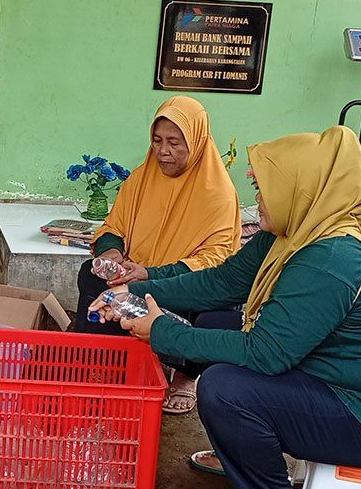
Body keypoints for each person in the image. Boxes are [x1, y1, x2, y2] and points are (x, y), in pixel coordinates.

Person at [91, 126, 361, 489]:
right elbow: (225, 282)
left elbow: (266, 354)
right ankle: (247, 454)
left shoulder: (332, 257)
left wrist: (163, 332)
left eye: (265, 188)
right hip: (327, 382)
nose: (257, 199)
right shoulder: (298, 229)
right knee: (219, 330)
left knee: (225, 388)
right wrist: (136, 290)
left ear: (299, 190)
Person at [77, 96, 241, 414]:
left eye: (174, 143)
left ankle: (185, 372)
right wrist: (113, 254)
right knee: (90, 273)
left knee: (217, 313)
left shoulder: (218, 194)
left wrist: (152, 275)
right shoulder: (142, 178)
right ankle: (104, 360)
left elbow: (215, 261)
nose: (163, 151)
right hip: (134, 278)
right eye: (157, 140)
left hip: (181, 287)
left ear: (196, 142)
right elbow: (114, 226)